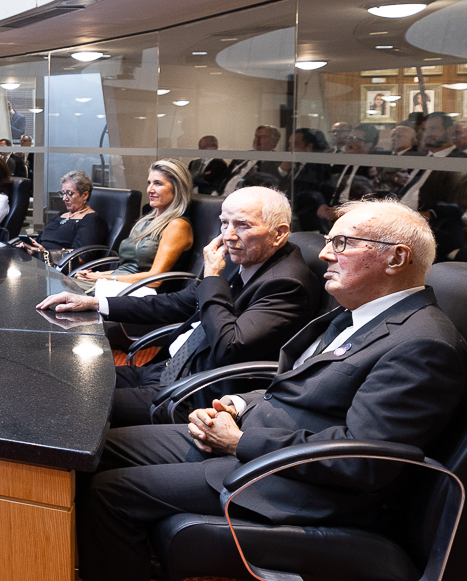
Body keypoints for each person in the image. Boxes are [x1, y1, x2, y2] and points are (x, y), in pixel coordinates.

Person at [71, 201, 467, 581]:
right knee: (96, 449)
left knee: (112, 493)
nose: (325, 254)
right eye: (329, 240)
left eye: (343, 243)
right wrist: (238, 404)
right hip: (265, 447)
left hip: (302, 484)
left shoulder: (423, 344)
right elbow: (298, 389)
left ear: (396, 258)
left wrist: (242, 441)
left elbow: (362, 461)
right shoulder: (361, 316)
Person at [40, 186, 326, 424]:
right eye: (224, 223)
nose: (228, 235)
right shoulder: (248, 255)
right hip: (165, 370)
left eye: (242, 225)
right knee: (61, 375)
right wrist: (94, 302)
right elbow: (177, 302)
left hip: (193, 394)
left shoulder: (288, 284)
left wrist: (212, 277)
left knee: (73, 399)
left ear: (279, 233)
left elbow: (230, 346)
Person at [102, 160, 195, 278]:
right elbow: (125, 270)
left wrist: (102, 278)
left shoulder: (177, 225)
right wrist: (94, 275)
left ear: (177, 188)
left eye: (158, 183)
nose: (149, 190)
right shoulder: (146, 221)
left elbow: (155, 279)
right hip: (120, 283)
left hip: (138, 288)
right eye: (149, 183)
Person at [19, 169, 100, 257]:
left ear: (85, 195)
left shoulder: (90, 220)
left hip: (55, 263)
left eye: (69, 193)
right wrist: (29, 246)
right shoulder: (59, 216)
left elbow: (80, 257)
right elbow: (39, 241)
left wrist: (46, 254)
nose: (64, 198)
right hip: (36, 259)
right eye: (63, 193)